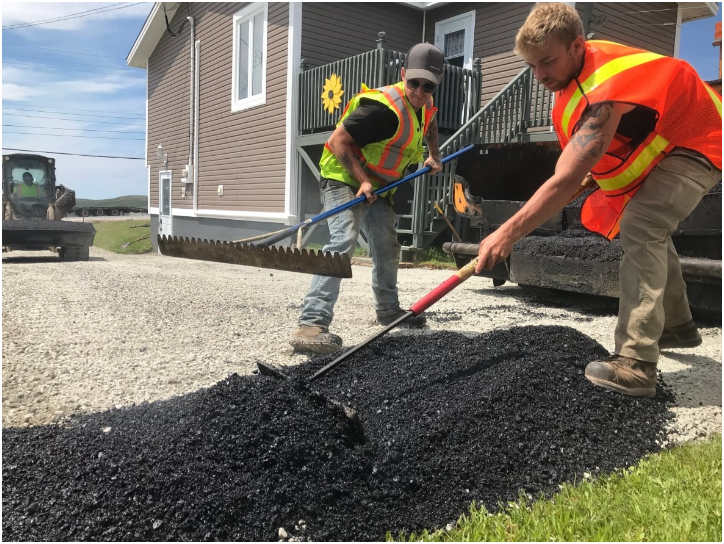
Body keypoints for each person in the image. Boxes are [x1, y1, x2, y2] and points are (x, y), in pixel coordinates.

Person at [475, 3, 722, 397]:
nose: (539, 74)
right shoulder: (571, 84)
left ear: (576, 46)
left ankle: (637, 363)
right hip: (663, 147)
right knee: (647, 229)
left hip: (698, 137)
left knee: (642, 224)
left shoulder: (605, 85)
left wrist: (507, 234)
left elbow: (565, 177)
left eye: (547, 62)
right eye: (532, 66)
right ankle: (675, 326)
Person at [290, 43, 445, 354]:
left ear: (434, 86)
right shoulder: (382, 109)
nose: (418, 91)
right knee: (343, 236)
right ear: (404, 75)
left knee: (387, 245)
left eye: (427, 86)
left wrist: (434, 155)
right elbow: (337, 141)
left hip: (378, 185)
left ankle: (388, 311)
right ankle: (311, 323)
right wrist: (361, 181)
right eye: (413, 83)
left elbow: (430, 126)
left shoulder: (425, 106)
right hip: (342, 176)